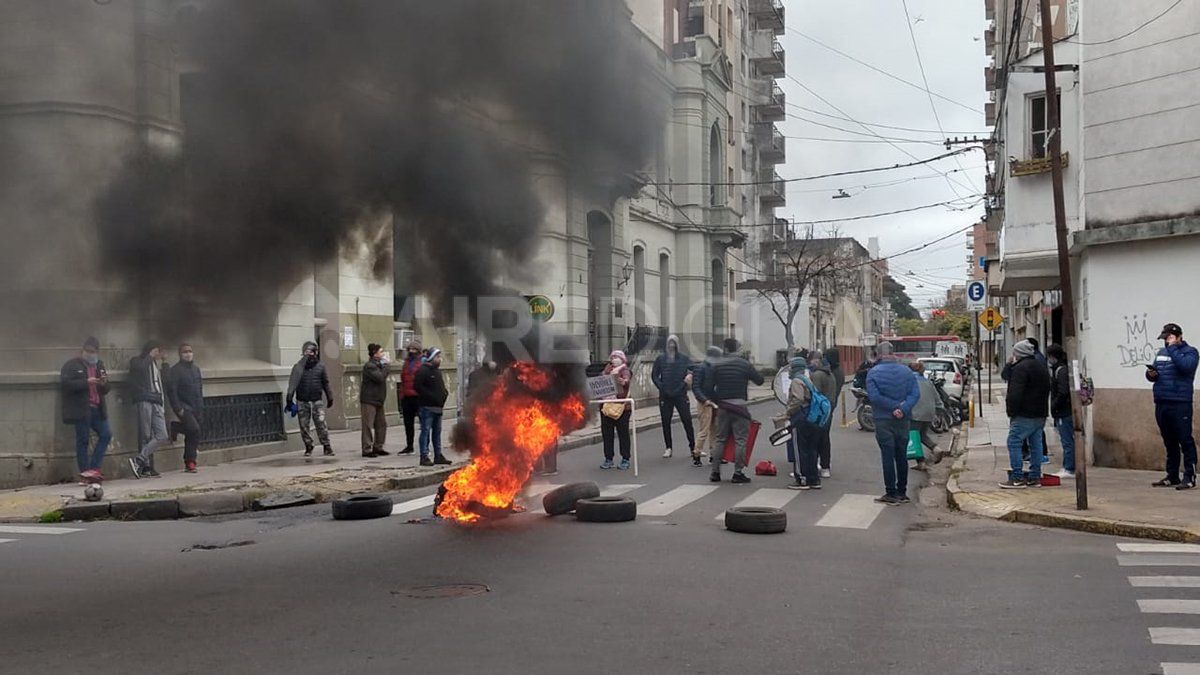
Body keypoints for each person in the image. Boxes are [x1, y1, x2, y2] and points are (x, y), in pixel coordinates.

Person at [866, 342, 920, 504]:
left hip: (883, 419)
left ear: (878, 354)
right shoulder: (907, 371)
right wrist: (902, 408)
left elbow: (874, 397)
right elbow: (915, 394)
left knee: (887, 456)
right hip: (903, 419)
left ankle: (891, 493)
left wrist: (893, 407)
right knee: (901, 456)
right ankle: (902, 492)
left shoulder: (873, 373)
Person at [1146, 323, 1199, 490]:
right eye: (1164, 338)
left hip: (1180, 402)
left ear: (1178, 336)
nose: (1165, 342)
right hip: (1162, 401)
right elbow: (1155, 374)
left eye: (1168, 338)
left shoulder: (1191, 352)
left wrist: (1174, 348)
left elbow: (1186, 367)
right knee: (1169, 441)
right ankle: (1172, 475)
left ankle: (1189, 476)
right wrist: (1151, 374)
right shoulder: (1161, 353)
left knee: (1185, 439)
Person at [709, 338, 765, 484]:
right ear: (737, 349)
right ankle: (738, 473)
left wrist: (718, 400)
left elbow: (709, 386)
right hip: (740, 407)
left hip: (723, 406)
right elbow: (759, 380)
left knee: (720, 439)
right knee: (741, 440)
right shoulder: (744, 364)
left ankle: (715, 472)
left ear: (725, 349)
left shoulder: (717, 365)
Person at [998, 340, 1051, 489]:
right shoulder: (1041, 366)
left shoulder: (1021, 368)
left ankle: (1017, 477)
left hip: (1024, 413)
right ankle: (1035, 477)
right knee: (1036, 444)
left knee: (1014, 441)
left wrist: (1011, 411)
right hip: (1040, 413)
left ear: (1018, 353)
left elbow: (1015, 393)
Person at [60, 337, 112, 484]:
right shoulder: (71, 365)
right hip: (82, 409)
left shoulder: (99, 365)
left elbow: (107, 388)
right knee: (82, 440)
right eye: (88, 351)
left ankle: (94, 468)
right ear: (82, 350)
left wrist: (103, 383)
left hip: (98, 408)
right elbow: (66, 384)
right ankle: (84, 473)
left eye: (93, 352)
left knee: (106, 434)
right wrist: (86, 382)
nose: (91, 354)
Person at [287, 341, 335, 458]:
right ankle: (308, 446)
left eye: (311, 352)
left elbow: (325, 383)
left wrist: (330, 397)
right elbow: (292, 383)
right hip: (302, 400)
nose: (309, 355)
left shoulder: (320, 367)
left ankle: (326, 446)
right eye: (306, 352)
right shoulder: (298, 367)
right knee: (304, 425)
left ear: (315, 353)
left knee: (321, 424)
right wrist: (289, 398)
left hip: (316, 400)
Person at [128, 340, 169, 478]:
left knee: (162, 435)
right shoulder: (137, 361)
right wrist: (150, 356)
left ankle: (138, 460)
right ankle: (145, 467)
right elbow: (139, 370)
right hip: (144, 399)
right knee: (145, 435)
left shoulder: (156, 364)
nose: (159, 354)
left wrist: (164, 363)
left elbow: (166, 381)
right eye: (158, 351)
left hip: (157, 401)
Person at [652, 334, 696, 461]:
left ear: (677, 345)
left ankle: (693, 447)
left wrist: (688, 377)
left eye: (674, 343)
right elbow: (654, 375)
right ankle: (668, 447)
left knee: (687, 420)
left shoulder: (684, 359)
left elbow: (694, 369)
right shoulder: (661, 359)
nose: (671, 345)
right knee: (666, 421)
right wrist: (662, 387)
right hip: (665, 395)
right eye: (669, 343)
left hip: (680, 394)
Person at [165, 343, 204, 473]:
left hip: (196, 406)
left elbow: (199, 388)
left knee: (192, 433)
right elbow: (172, 391)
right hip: (184, 407)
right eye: (185, 352)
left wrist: (201, 405)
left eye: (190, 351)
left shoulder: (196, 369)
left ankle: (190, 463)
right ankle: (190, 460)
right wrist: (178, 407)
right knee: (194, 429)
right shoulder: (175, 370)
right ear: (180, 354)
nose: (188, 354)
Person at [785, 357, 822, 490]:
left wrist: (788, 412)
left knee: (799, 449)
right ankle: (814, 479)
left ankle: (801, 479)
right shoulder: (808, 380)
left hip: (800, 417)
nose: (789, 370)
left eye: (790, 367)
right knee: (811, 449)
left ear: (795, 368)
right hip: (812, 417)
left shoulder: (797, 381)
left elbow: (798, 399)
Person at [414, 347, 451, 467]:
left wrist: (444, 395)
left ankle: (438, 455)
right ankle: (424, 456)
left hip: (438, 407)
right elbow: (417, 387)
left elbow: (441, 388)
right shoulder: (423, 370)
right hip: (427, 407)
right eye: (437, 357)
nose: (440, 359)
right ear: (431, 358)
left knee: (437, 432)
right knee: (425, 431)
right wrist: (431, 397)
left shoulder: (437, 371)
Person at [1045, 344, 1076, 479]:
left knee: (1067, 440)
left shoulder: (1061, 371)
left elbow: (1063, 392)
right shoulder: (1060, 369)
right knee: (1067, 440)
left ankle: (1069, 468)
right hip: (1063, 410)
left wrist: (1055, 406)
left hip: (1064, 411)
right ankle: (1068, 466)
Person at [690, 345, 723, 467]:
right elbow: (696, 387)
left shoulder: (715, 368)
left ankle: (714, 454)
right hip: (705, 403)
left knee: (714, 430)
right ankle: (697, 454)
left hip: (714, 402)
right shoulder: (700, 368)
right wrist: (704, 400)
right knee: (704, 430)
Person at [600, 350, 633, 470]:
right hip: (607, 407)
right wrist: (605, 374)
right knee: (607, 434)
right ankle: (608, 458)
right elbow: (600, 382)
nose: (614, 359)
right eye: (613, 357)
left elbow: (627, 380)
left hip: (622, 408)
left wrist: (623, 382)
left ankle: (625, 458)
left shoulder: (625, 371)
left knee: (623, 433)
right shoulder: (607, 370)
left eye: (617, 357)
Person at [908, 361, 944, 471]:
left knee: (914, 437)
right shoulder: (928, 382)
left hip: (916, 413)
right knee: (922, 435)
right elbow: (937, 397)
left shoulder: (910, 382)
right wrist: (939, 410)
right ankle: (936, 448)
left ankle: (921, 462)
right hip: (929, 412)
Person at [808, 350, 838, 478]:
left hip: (818, 413)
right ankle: (825, 466)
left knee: (813, 440)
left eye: (810, 360)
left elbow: (815, 396)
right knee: (825, 439)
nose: (810, 363)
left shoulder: (817, 375)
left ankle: (813, 467)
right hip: (828, 411)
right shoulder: (830, 374)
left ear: (816, 360)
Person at [360, 343, 391, 458]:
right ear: (375, 353)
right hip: (369, 399)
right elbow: (380, 378)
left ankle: (378, 446)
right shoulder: (370, 366)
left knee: (381, 424)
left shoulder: (378, 365)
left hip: (378, 399)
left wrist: (384, 366)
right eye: (381, 352)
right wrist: (387, 366)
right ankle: (367, 449)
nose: (383, 354)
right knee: (368, 425)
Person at [395, 339, 423, 455]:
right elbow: (403, 379)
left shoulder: (421, 362)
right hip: (407, 397)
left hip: (418, 397)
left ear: (418, 351)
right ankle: (409, 446)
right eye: (410, 349)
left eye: (414, 349)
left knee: (424, 424)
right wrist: (402, 394)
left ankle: (424, 447)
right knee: (408, 423)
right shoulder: (406, 363)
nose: (411, 351)